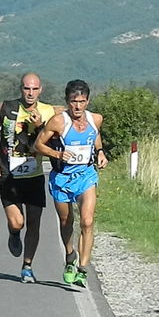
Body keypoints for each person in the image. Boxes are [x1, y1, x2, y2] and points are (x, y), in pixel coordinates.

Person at [34, 79, 108, 288]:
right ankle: (69, 256)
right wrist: (57, 153)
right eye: (73, 102)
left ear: (88, 101)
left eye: (82, 102)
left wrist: (100, 152)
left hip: (86, 176)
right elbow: (38, 144)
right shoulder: (58, 122)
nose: (77, 106)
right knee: (66, 222)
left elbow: (95, 136)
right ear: (67, 102)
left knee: (87, 221)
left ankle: (83, 269)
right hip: (62, 178)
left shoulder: (96, 119)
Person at [0, 72, 57, 283]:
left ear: (41, 90)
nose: (31, 93)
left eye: (35, 89)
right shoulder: (5, 107)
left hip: (34, 173)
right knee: (18, 223)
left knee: (34, 223)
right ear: (21, 89)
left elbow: (52, 138)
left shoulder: (48, 111)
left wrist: (41, 126)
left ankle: (27, 266)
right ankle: (14, 233)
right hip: (9, 173)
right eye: (27, 88)